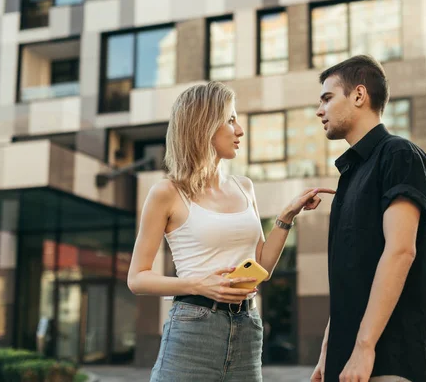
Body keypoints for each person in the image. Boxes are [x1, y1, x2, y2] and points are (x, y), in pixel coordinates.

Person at [127, 81, 335, 382]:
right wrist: (199, 285)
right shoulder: (167, 192)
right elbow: (137, 278)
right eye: (231, 119)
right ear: (204, 125)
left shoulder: (244, 187)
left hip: (247, 325)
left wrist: (287, 215)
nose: (240, 130)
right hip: (193, 327)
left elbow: (261, 266)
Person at [311, 55, 426, 382]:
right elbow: (350, 276)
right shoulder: (350, 173)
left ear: (358, 95)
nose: (319, 110)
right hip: (350, 361)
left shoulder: (400, 155)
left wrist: (364, 347)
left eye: (327, 98)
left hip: (391, 361)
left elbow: (401, 251)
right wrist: (329, 350)